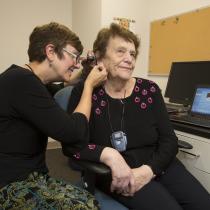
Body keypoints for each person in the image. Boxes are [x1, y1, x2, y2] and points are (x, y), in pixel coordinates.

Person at [66, 23, 210, 210]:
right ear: (100, 56)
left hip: (159, 165)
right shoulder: (85, 91)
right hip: (117, 173)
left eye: (132, 54)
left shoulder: (149, 90)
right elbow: (74, 146)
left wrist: (148, 171)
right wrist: (111, 157)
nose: (129, 59)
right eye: (121, 51)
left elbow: (169, 140)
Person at [0, 22, 107, 209]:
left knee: (89, 200)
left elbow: (64, 84)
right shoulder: (22, 82)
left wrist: (85, 68)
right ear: (50, 51)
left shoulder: (26, 80)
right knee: (87, 207)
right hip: (12, 186)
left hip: (31, 177)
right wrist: (89, 86)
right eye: (73, 56)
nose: (75, 63)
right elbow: (74, 133)